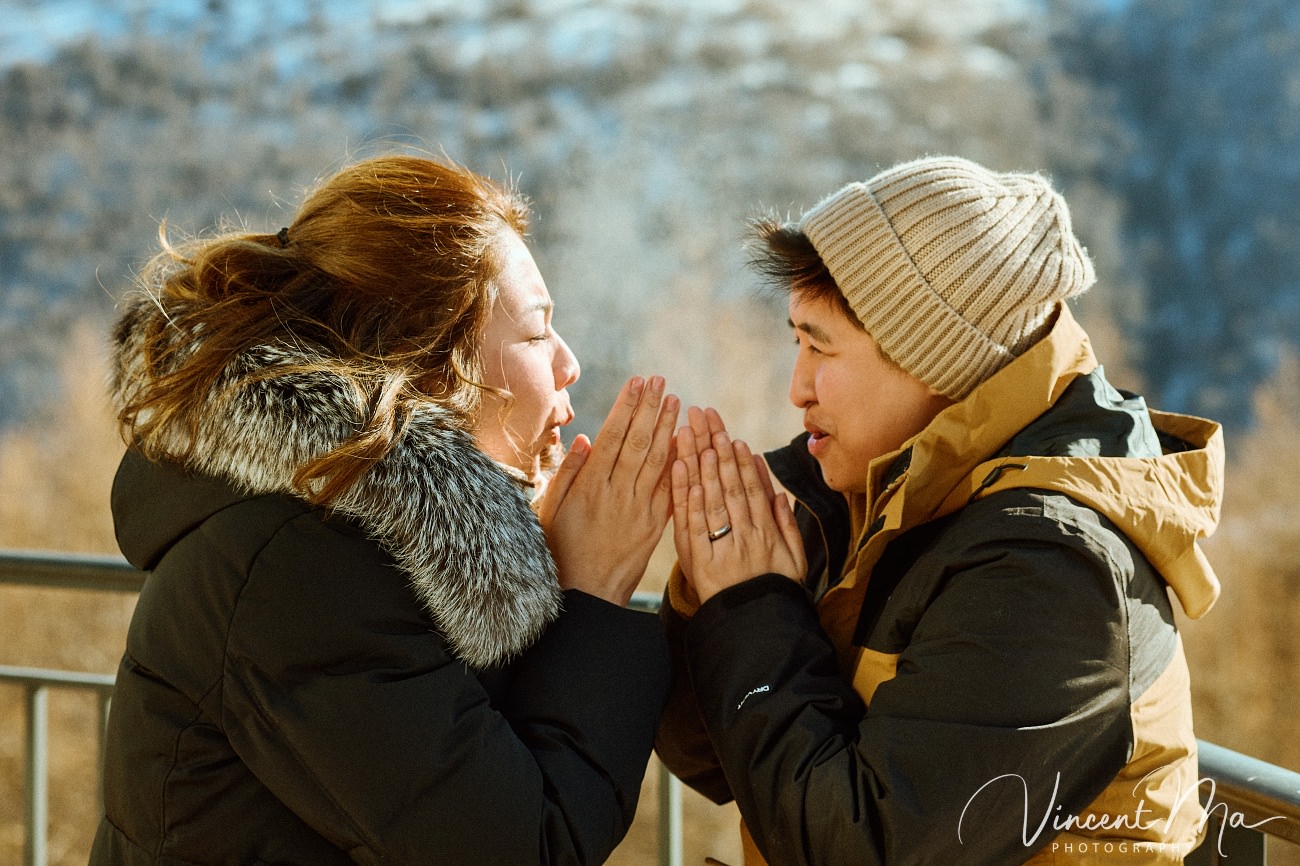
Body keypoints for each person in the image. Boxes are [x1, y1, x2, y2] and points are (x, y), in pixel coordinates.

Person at [93, 152, 679, 865]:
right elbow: (525, 845)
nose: (568, 362)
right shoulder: (301, 565)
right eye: (533, 333)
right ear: (429, 360)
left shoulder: (342, 528)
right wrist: (593, 595)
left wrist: (542, 571)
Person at [656, 156, 1225, 865]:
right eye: (793, 342)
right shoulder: (869, 488)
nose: (798, 386)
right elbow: (717, 754)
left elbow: (867, 849)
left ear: (930, 356)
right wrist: (710, 588)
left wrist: (750, 605)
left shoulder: (1050, 570)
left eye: (817, 346)